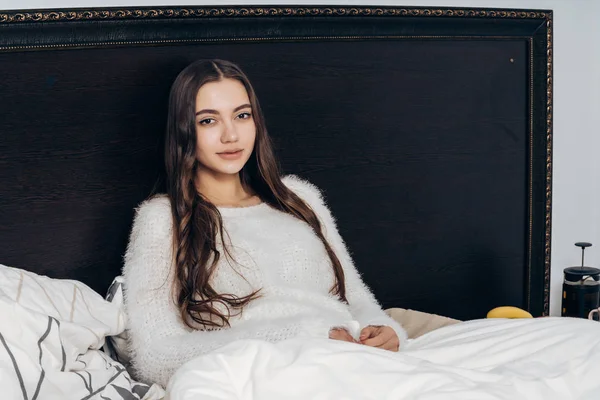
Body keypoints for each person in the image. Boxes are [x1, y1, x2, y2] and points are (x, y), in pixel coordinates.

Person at [122, 59, 407, 388]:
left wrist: (386, 332)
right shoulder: (164, 219)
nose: (231, 135)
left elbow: (355, 297)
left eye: (242, 115)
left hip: (356, 362)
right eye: (208, 121)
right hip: (269, 377)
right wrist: (300, 337)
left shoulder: (299, 197)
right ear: (184, 130)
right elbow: (154, 357)